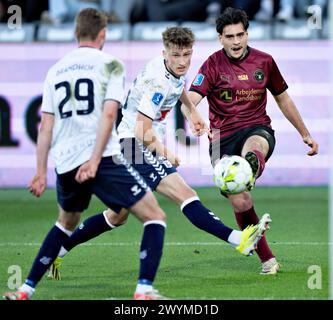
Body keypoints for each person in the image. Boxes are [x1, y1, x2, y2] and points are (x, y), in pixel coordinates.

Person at [46, 26, 272, 281]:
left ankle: (59, 250)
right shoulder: (158, 81)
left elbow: (179, 87)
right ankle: (238, 239)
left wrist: (193, 112)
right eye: (176, 55)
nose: (182, 61)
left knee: (117, 215)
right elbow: (142, 127)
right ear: (165, 52)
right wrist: (166, 152)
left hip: (131, 144)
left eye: (187, 54)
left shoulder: (168, 69)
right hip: (134, 144)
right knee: (185, 195)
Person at [3, 8, 169, 301]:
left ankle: (25, 289)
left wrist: (41, 172)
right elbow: (108, 114)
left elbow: (45, 127)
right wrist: (94, 160)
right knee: (154, 216)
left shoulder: (55, 70)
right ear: (102, 34)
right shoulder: (111, 65)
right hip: (101, 159)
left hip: (65, 163)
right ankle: (144, 288)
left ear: (75, 33)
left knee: (64, 224)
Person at [183, 7, 318, 275]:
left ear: (247, 34)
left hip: (256, 129)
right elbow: (190, 101)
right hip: (221, 140)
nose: (236, 42)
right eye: (229, 36)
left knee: (254, 148)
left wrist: (305, 133)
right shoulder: (211, 64)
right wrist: (194, 118)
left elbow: (283, 98)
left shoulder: (265, 61)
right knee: (241, 202)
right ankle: (267, 260)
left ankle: (250, 167)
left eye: (241, 35)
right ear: (220, 38)